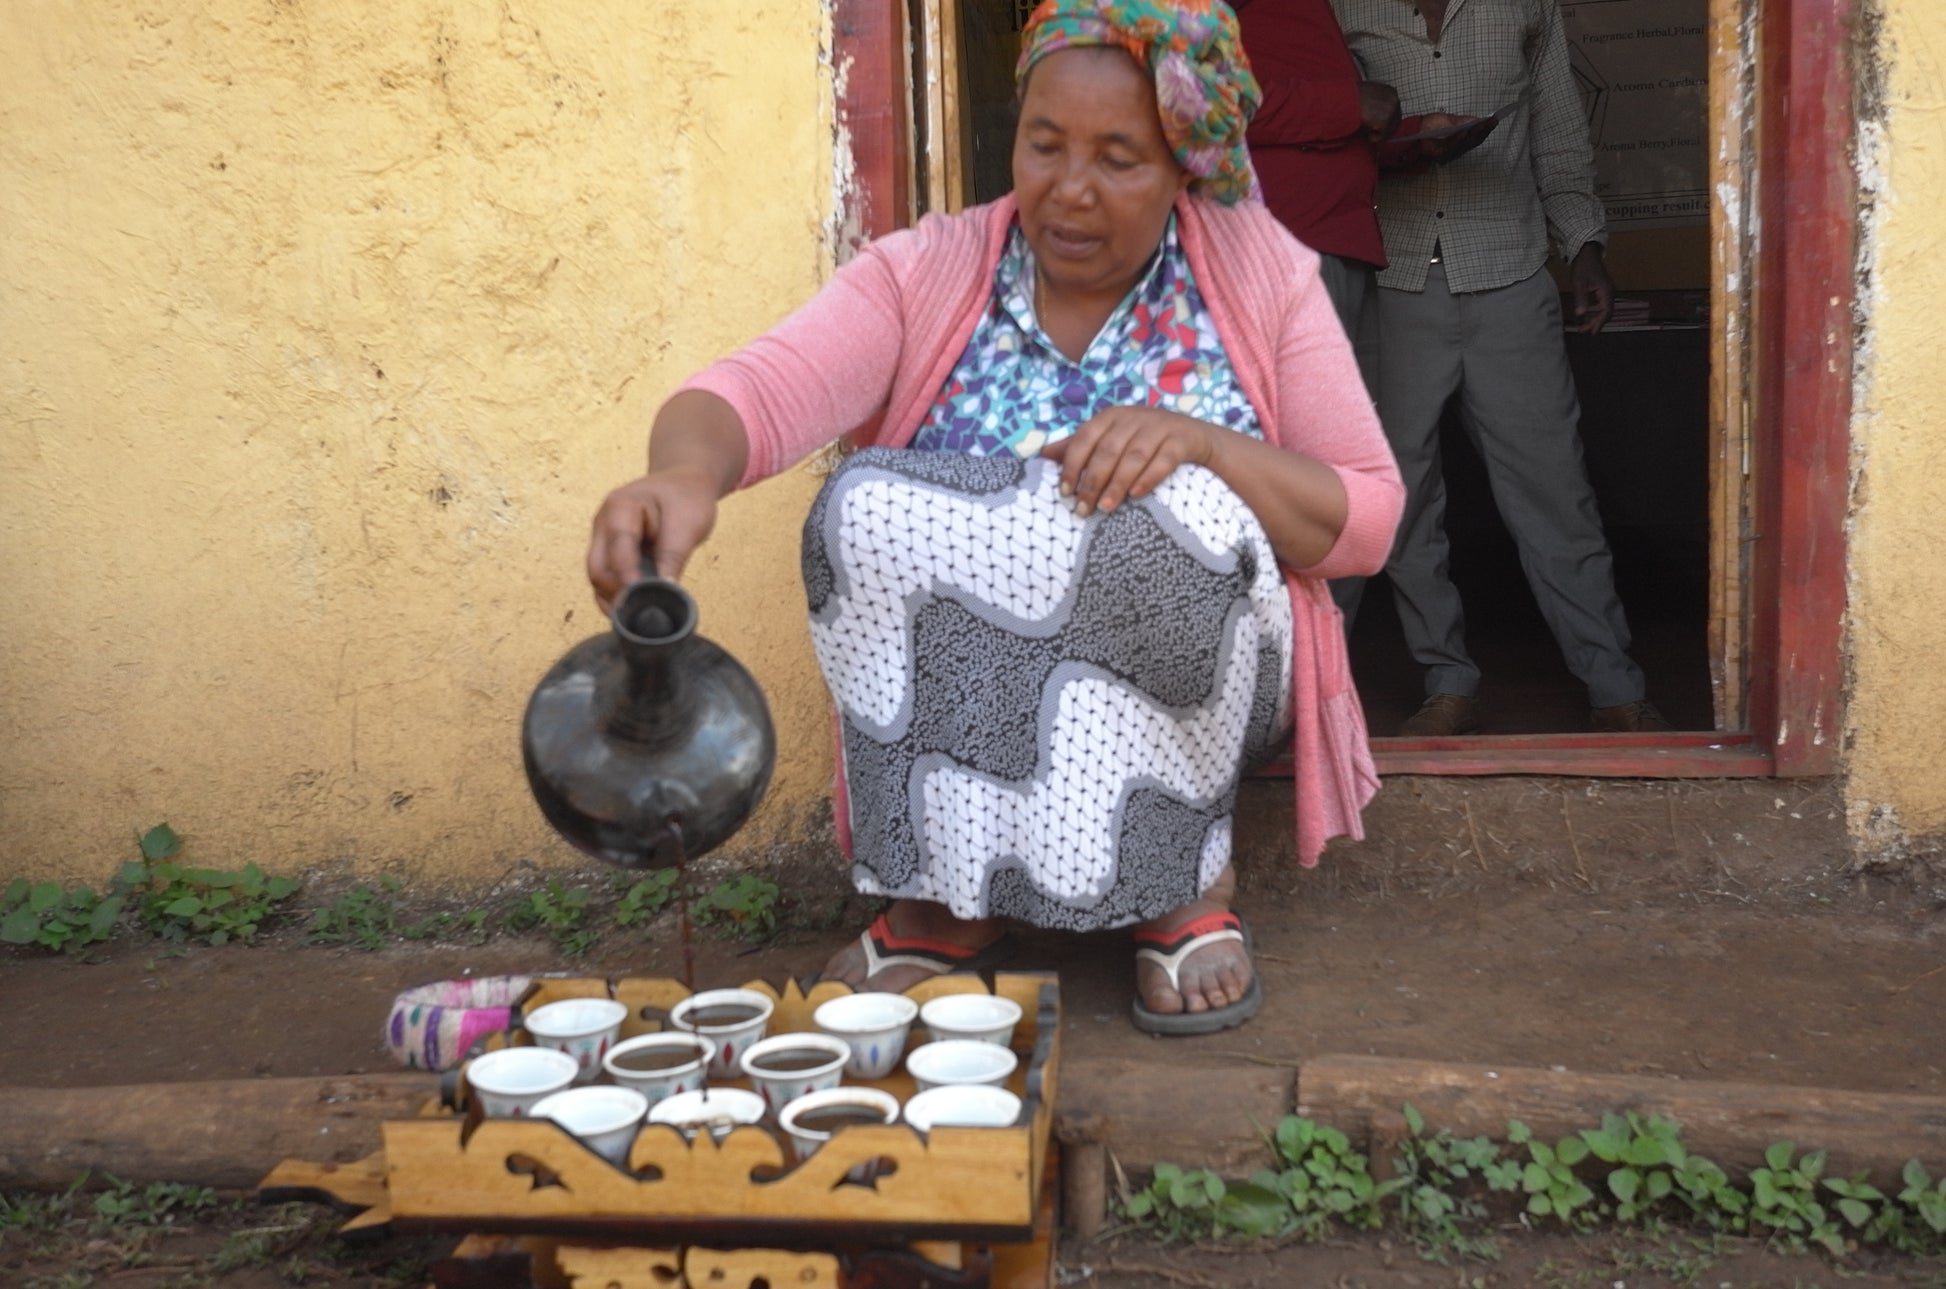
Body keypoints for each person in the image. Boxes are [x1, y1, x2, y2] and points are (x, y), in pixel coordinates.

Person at [586, 0, 1404, 1035]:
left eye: (1118, 158)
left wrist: (1201, 444)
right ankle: (941, 900)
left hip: (1199, 670)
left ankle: (1178, 881)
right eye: (1044, 144)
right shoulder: (932, 268)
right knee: (863, 504)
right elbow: (757, 389)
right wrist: (681, 476)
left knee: (1178, 512)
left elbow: (1366, 518)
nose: (1068, 190)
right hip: (978, 697)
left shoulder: (1257, 276)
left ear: (1184, 169)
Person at [1331, 0, 1671, 736]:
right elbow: (1326, 129)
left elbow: (1557, 129)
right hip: (1392, 277)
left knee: (1555, 490)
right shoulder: (1344, 5)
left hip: (1511, 272)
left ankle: (1614, 684)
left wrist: (1583, 245)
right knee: (1404, 497)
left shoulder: (1524, 4)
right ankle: (1446, 679)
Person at [1232, 0, 1396, 360]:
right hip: (1288, 245)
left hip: (1337, 243)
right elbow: (1209, 103)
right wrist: (1351, 106)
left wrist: (1415, 138)